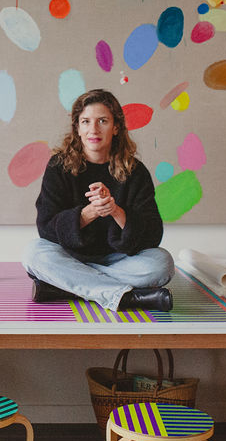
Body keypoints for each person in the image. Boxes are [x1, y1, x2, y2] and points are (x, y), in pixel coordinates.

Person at [23, 88, 175, 312]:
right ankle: (124, 297)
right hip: (71, 257)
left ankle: (66, 287)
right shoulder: (59, 166)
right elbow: (46, 228)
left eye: (102, 121)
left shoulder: (135, 171)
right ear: (77, 127)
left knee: (162, 263)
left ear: (115, 127)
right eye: (85, 121)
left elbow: (153, 234)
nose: (93, 129)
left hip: (120, 261)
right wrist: (90, 212)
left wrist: (115, 211)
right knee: (33, 253)